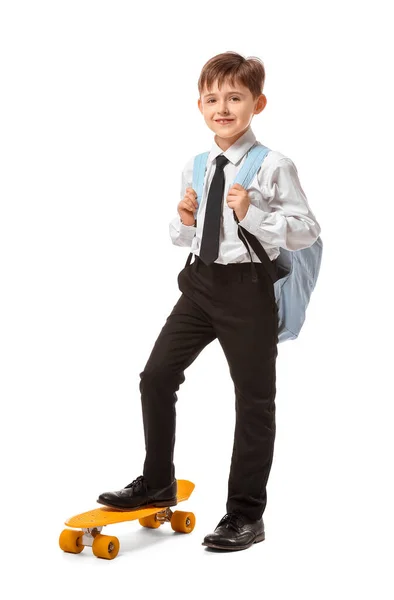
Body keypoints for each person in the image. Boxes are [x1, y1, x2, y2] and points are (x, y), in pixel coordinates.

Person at [97, 51, 321, 552]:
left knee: (254, 403)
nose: (223, 107)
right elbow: (186, 238)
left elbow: (307, 231)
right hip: (199, 286)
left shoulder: (274, 165)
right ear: (199, 105)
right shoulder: (197, 165)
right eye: (213, 98)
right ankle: (157, 481)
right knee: (155, 377)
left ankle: (245, 514)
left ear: (257, 103)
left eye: (235, 98)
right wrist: (185, 217)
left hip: (248, 292)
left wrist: (255, 215)